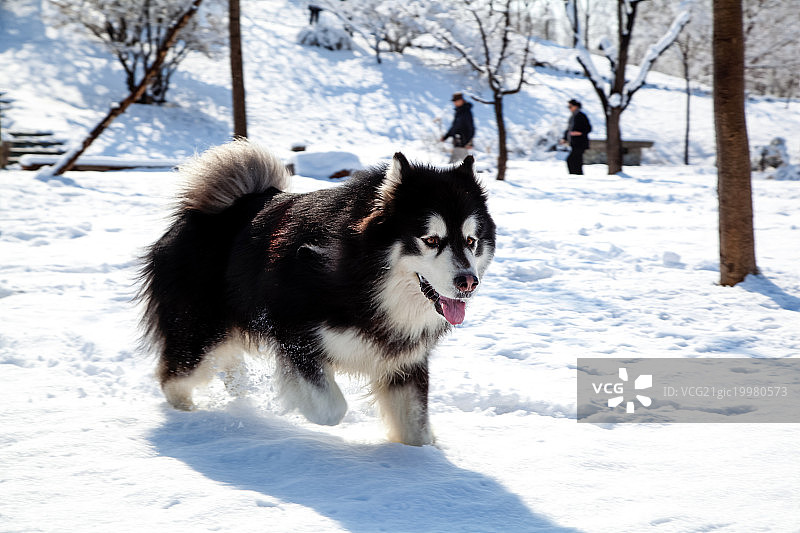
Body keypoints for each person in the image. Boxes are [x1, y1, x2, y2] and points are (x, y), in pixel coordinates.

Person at [560, 98, 592, 175]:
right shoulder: (572, 117)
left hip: (580, 143)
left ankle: (576, 175)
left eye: (570, 106)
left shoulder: (581, 116)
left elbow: (588, 128)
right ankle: (576, 175)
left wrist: (580, 133)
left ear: (576, 106)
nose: (569, 108)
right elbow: (569, 129)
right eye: (568, 107)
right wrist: (564, 138)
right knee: (576, 160)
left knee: (572, 160)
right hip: (574, 143)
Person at [441, 92, 475, 163]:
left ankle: (479, 172)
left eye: (455, 101)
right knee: (454, 164)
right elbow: (454, 127)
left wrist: (469, 142)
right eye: (454, 101)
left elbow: (471, 128)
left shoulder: (466, 112)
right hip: (457, 142)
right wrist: (446, 137)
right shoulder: (459, 112)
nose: (454, 103)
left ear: (461, 100)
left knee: (466, 164)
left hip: (462, 142)